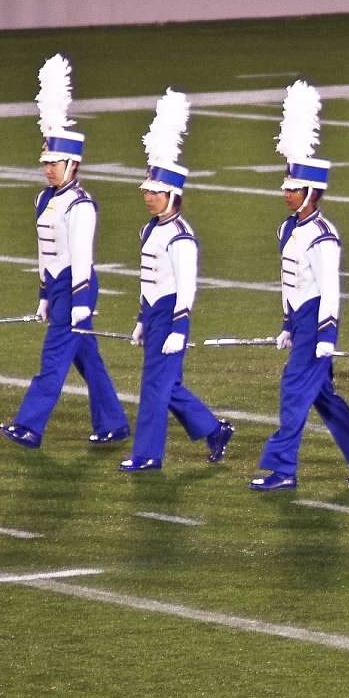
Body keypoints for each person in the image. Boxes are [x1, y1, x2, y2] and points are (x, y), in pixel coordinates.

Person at [250, 81, 349, 492]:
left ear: (311, 192)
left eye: (294, 189)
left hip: (318, 322)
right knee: (322, 395)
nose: (286, 194)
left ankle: (283, 468)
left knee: (294, 391)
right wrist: (287, 323)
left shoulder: (323, 236)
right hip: (303, 320)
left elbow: (330, 290)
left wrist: (325, 334)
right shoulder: (287, 228)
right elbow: (290, 284)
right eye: (286, 187)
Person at [0, 54, 129, 450]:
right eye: (45, 162)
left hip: (77, 288)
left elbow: (82, 259)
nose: (48, 169)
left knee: (53, 361)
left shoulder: (80, 205)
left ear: (73, 163)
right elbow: (44, 254)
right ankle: (114, 423)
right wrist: (42, 295)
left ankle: (30, 426)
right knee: (87, 359)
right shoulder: (43, 200)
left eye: (55, 163)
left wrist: (80, 303)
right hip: (57, 288)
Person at [119, 89, 234, 472]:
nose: (147, 197)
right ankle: (214, 430)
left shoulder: (181, 237)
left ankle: (147, 455)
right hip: (154, 314)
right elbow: (148, 281)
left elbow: (187, 286)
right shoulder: (149, 230)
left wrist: (178, 327)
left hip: (171, 316)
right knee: (168, 387)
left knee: (154, 387)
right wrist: (140, 318)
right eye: (146, 191)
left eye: (154, 192)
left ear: (171, 195)